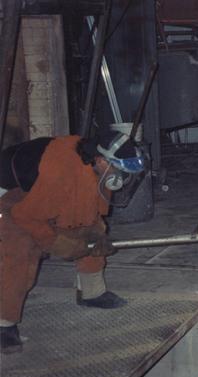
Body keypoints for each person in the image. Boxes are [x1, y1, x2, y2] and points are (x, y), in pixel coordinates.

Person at [0, 131, 146, 354]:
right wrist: (55, 241)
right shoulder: (61, 174)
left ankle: (92, 292)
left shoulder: (99, 168)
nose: (123, 178)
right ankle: (4, 323)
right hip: (12, 194)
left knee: (92, 229)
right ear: (101, 160)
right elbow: (24, 216)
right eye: (122, 171)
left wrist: (95, 235)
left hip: (44, 189)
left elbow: (90, 215)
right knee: (21, 249)